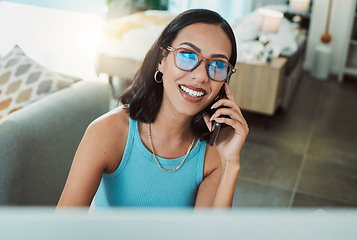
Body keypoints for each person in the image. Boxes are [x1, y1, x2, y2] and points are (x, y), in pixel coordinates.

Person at [57, 8, 248, 208]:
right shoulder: (106, 133)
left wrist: (230, 164)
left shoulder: (214, 153)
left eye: (218, 65)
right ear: (161, 60)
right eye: (187, 55)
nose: (201, 76)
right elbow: (63, 228)